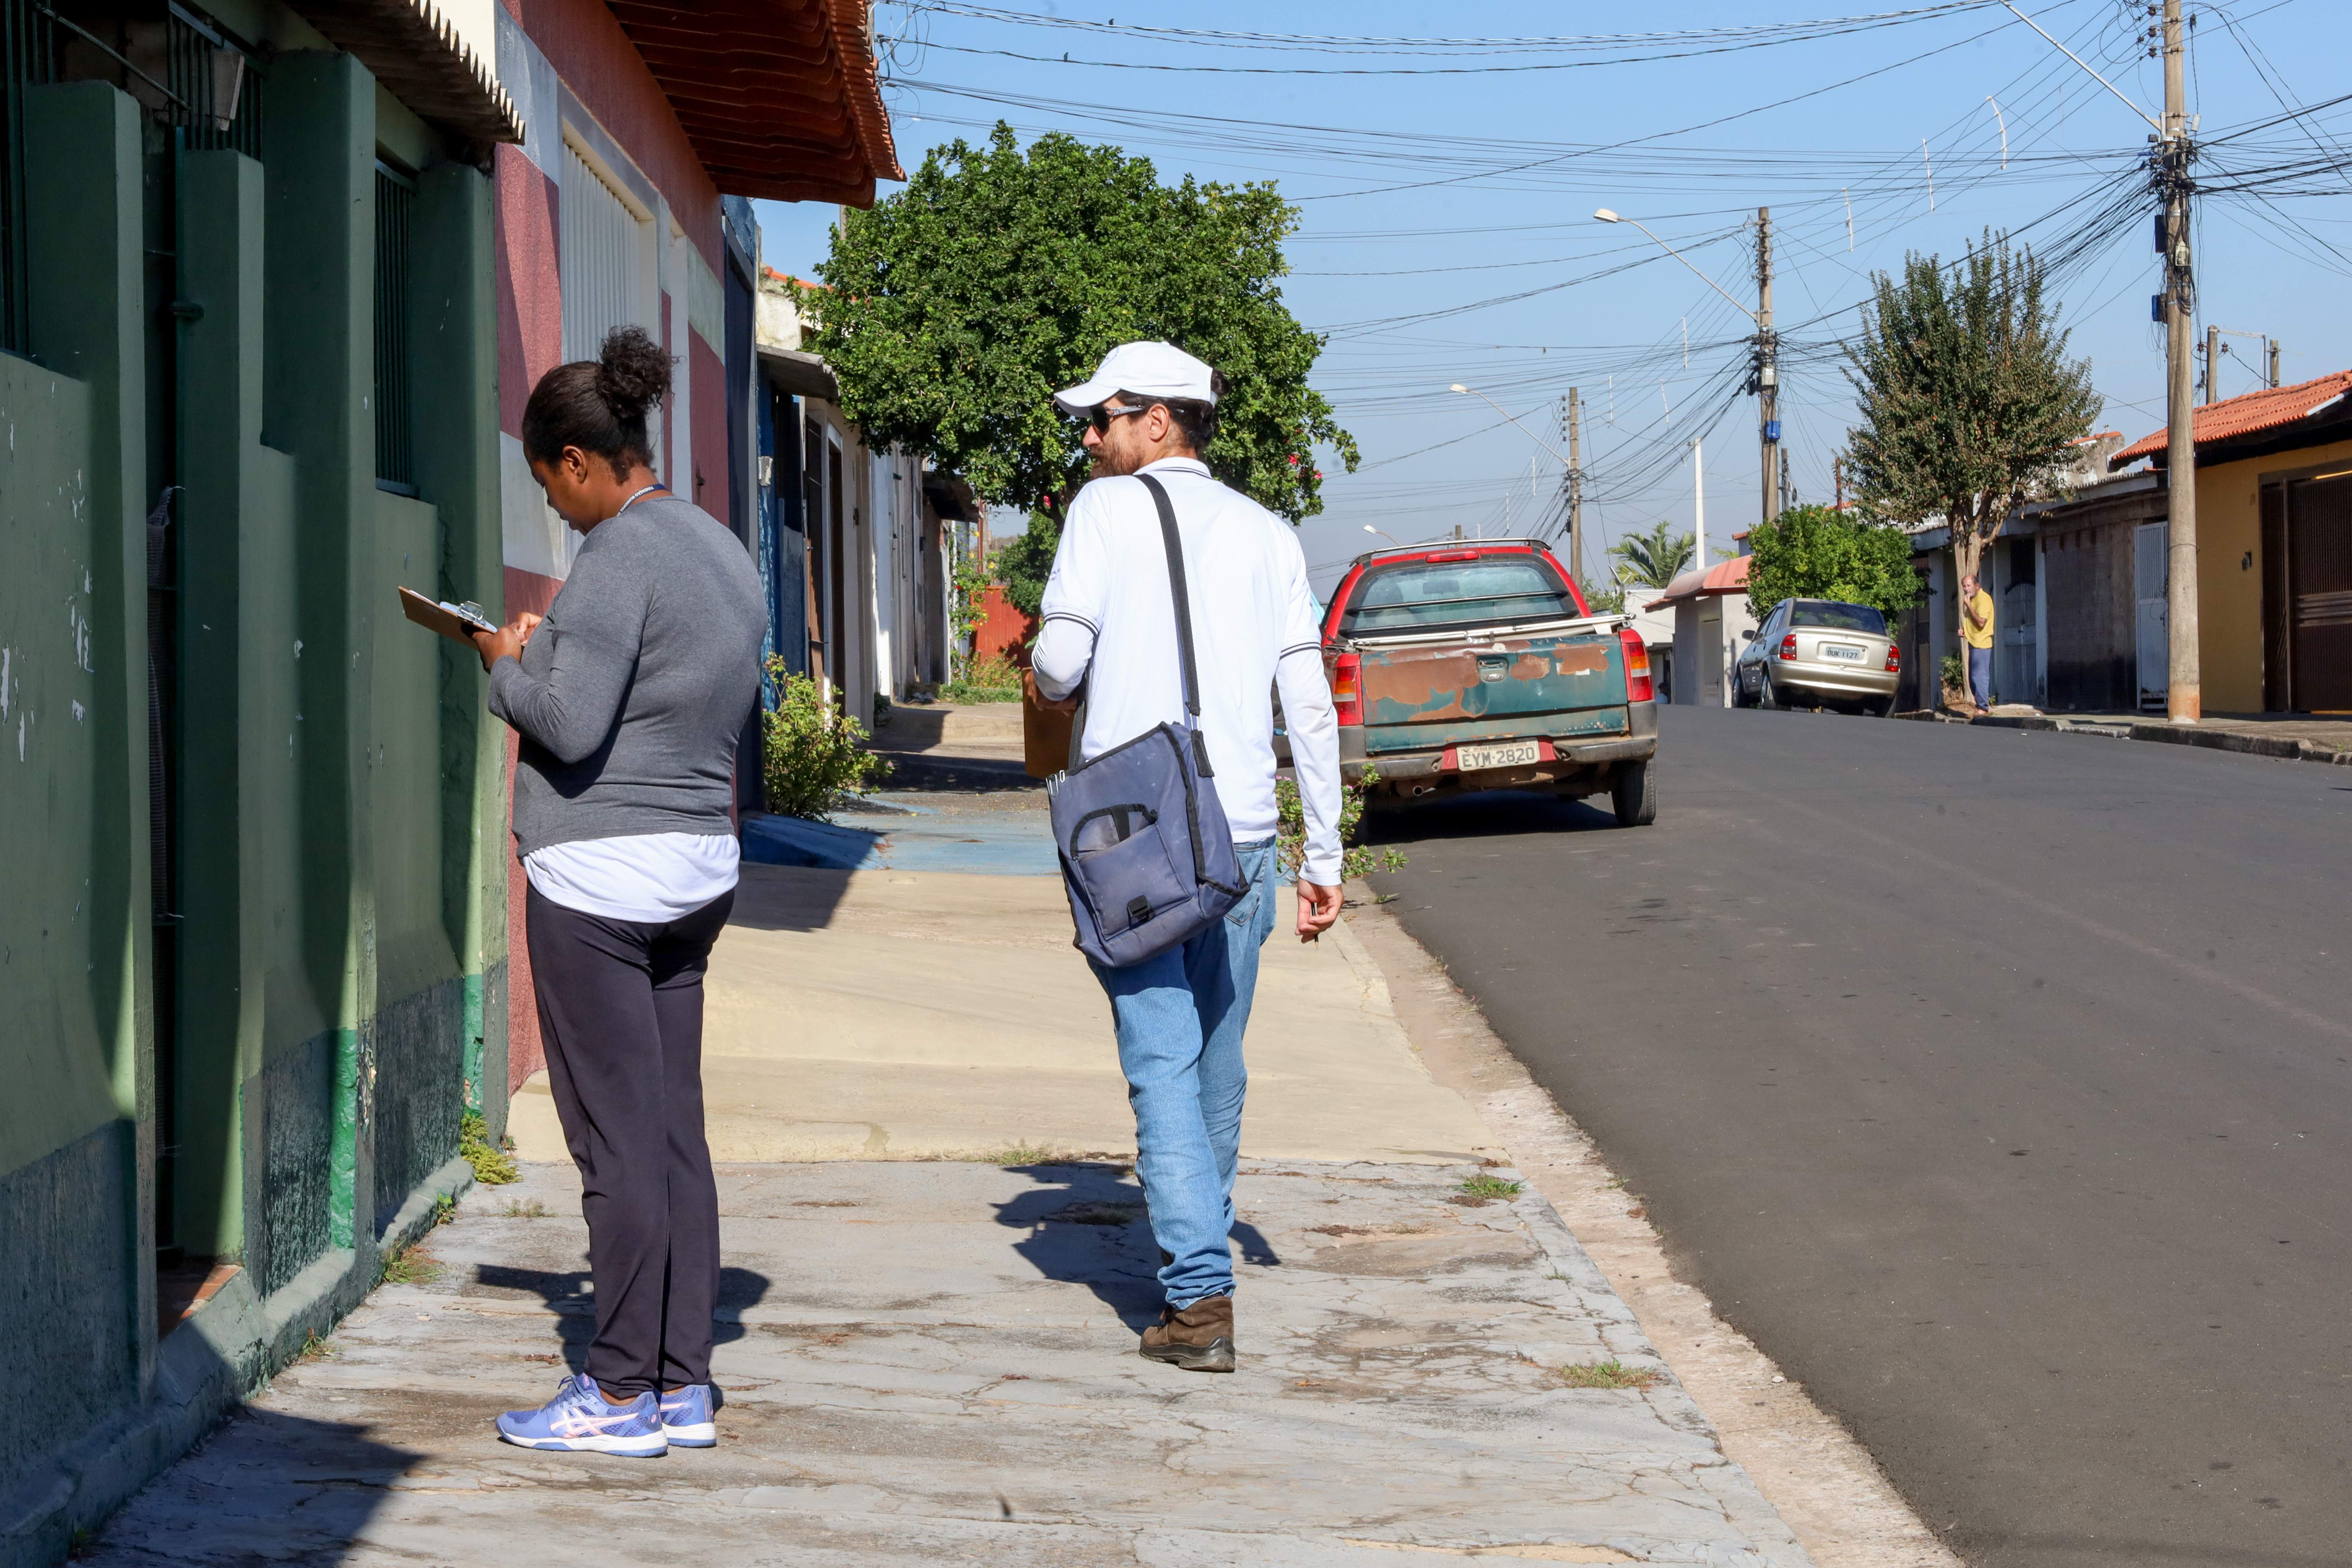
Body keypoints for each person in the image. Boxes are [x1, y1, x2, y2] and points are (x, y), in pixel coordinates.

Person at [474, 327, 767, 1457]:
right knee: (673, 1128)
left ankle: (615, 1390)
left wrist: (503, 662)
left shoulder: (614, 559)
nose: (555, 505)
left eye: (552, 483)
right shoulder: (719, 548)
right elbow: (662, 696)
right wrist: (555, 656)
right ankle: (684, 1382)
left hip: (599, 876)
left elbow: (572, 722)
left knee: (614, 1143)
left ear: (583, 463)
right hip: (697, 864)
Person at [1026, 340, 1344, 1374]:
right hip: (1246, 835)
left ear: (1157, 420)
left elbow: (1062, 661)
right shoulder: (1267, 534)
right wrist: (1324, 849)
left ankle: (1200, 1296)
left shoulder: (1101, 513)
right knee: (1215, 1053)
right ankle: (1205, 1241)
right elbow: (1308, 701)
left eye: (1104, 418)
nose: (1090, 436)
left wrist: (1048, 657)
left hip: (1136, 833)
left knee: (1159, 1059)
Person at [1960, 572, 1996, 714]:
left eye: (1969, 585)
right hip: (1974, 643)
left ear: (1977, 586)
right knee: (1972, 679)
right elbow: (1973, 622)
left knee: (1979, 677)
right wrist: (1965, 630)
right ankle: (1980, 706)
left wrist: (1968, 606)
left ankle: (1983, 708)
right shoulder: (1973, 600)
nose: (1966, 589)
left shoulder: (1983, 599)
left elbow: (1981, 622)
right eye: (1964, 586)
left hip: (1982, 643)